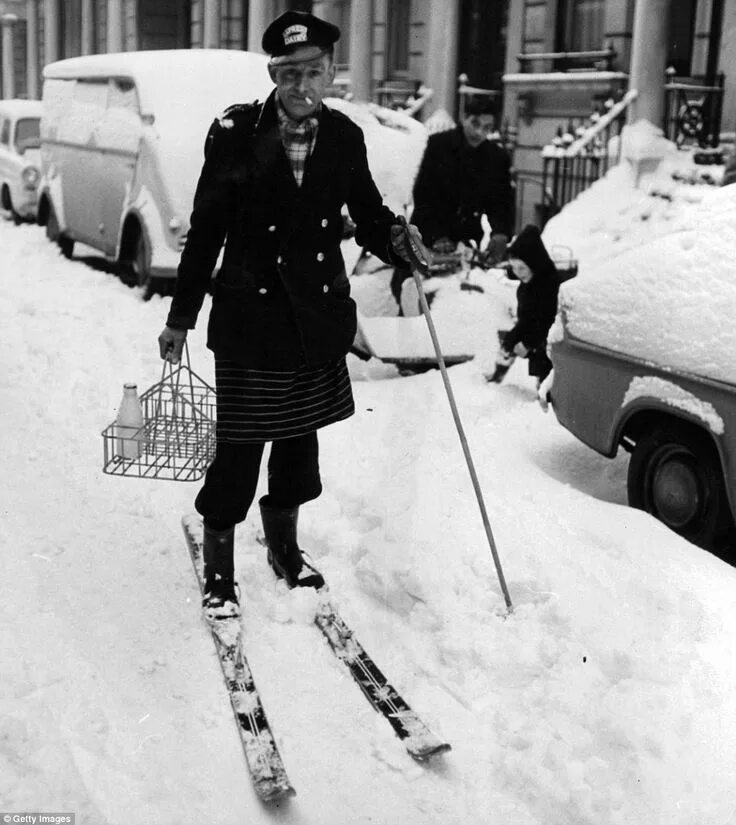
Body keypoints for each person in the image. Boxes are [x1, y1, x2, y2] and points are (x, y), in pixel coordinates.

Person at [157, 10, 420, 617]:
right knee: (241, 447)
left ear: (332, 73)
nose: (303, 86)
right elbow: (206, 232)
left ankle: (285, 547)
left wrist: (398, 240)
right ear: (274, 74)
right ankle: (220, 567)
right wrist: (180, 318)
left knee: (299, 444)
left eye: (315, 72)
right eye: (290, 73)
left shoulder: (346, 137)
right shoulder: (235, 134)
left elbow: (370, 213)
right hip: (251, 318)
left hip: (314, 318)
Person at [390, 96, 514, 310]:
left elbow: (501, 201)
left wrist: (501, 233)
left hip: (464, 238)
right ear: (464, 118)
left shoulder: (496, 158)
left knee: (460, 300)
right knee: (411, 294)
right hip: (427, 235)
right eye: (475, 124)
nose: (479, 133)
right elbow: (423, 195)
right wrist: (436, 235)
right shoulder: (439, 145)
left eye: (487, 127)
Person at [486, 224, 559, 386]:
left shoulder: (549, 285)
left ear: (534, 264)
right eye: (514, 267)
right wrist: (513, 340)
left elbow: (547, 321)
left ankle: (546, 396)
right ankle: (496, 379)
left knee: (546, 371)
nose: (518, 272)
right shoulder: (530, 281)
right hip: (535, 333)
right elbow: (527, 318)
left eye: (521, 268)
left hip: (550, 342)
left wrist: (529, 344)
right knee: (509, 344)